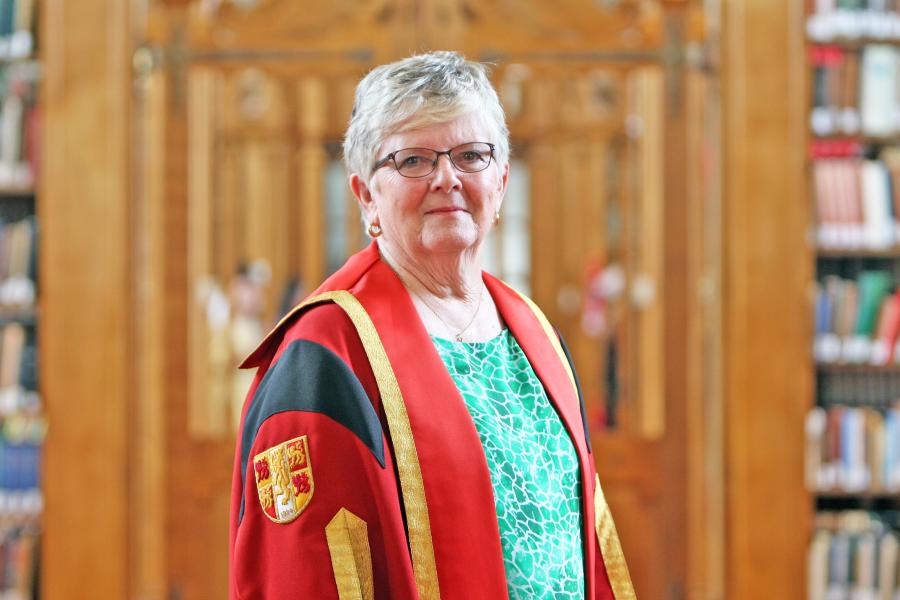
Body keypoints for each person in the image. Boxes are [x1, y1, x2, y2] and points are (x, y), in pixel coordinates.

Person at [229, 51, 635, 600]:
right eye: (413, 161)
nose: (447, 178)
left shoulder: (534, 335)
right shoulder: (325, 357)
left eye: (471, 155)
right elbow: (302, 575)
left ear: (502, 180)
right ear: (366, 195)